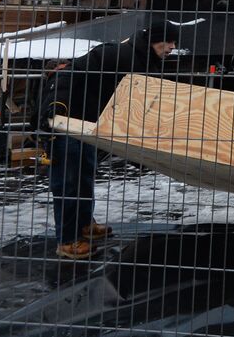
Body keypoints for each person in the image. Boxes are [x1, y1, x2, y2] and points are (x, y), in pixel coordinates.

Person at [40, 19, 178, 259]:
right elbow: (74, 75)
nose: (172, 47)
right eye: (168, 41)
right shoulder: (125, 56)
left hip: (89, 121)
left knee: (85, 172)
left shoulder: (144, 61)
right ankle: (68, 240)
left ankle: (84, 224)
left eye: (174, 43)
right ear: (155, 38)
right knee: (68, 180)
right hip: (66, 116)